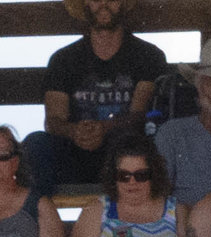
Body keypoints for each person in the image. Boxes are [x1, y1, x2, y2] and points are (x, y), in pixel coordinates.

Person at [29, 0, 166, 196]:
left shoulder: (149, 55)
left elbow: (140, 114)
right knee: (36, 143)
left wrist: (104, 128)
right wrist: (74, 131)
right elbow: (53, 121)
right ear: (84, 4)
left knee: (134, 140)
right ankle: (40, 219)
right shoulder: (63, 59)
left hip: (126, 157)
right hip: (75, 154)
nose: (104, 4)